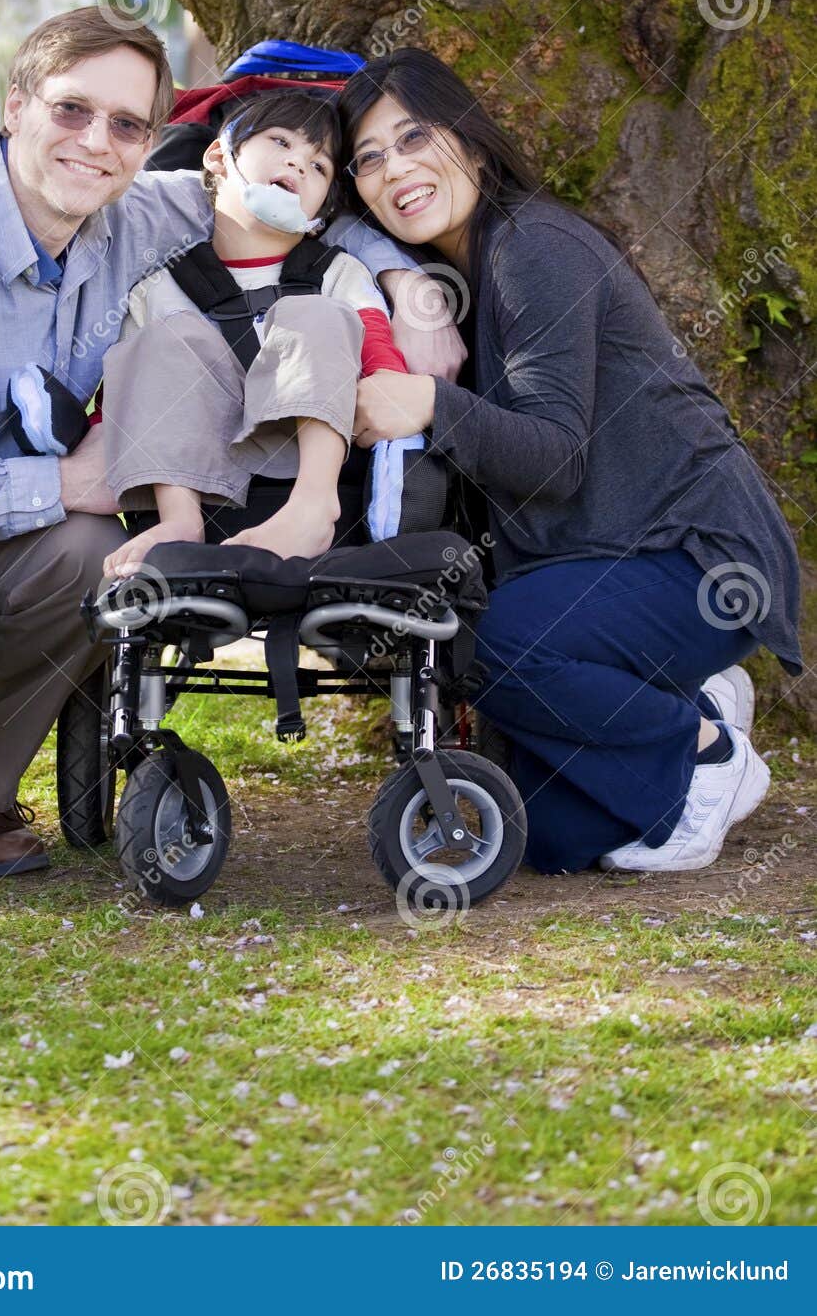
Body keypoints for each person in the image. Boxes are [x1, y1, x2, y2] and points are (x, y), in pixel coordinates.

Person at [0, 11, 457, 898]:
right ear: (14, 107)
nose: (96, 143)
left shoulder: (128, 213)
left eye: (126, 126)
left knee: (107, 557)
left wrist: (408, 284)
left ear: (153, 144)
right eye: (71, 110)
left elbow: (282, 204)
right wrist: (64, 480)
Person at [338, 47, 802, 876]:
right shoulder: (458, 276)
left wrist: (426, 405)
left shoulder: (532, 248)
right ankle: (691, 702)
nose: (393, 169)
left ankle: (700, 749)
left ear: (472, 144)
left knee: (489, 643)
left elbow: (555, 460)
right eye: (368, 159)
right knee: (545, 834)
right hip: (604, 569)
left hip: (696, 556)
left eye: (414, 139)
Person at [99, 88, 411, 577]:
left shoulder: (336, 272)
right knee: (162, 341)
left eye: (320, 167)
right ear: (220, 156)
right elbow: (130, 400)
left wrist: (392, 392)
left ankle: (312, 508)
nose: (299, 165)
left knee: (316, 314)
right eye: (281, 142)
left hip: (312, 456)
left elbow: (377, 349)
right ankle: (179, 524)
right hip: (200, 476)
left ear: (320, 216)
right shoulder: (161, 285)